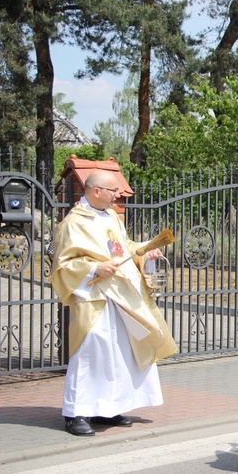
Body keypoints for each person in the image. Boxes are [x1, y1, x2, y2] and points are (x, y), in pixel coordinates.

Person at [51, 171, 178, 436]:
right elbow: (63, 265)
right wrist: (95, 267)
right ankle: (75, 413)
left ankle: (106, 408)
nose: (117, 196)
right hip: (94, 298)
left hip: (121, 295)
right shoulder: (73, 224)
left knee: (118, 354)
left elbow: (123, 247)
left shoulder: (110, 217)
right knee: (90, 354)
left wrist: (146, 249)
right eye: (113, 191)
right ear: (96, 191)